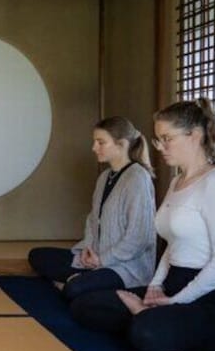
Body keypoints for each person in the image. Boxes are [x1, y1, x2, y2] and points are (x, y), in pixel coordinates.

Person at [70, 98, 215, 351]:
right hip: (174, 281)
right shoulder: (177, 180)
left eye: (167, 138)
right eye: (158, 140)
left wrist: (175, 300)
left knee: (148, 332)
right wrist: (155, 286)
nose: (161, 147)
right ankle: (159, 322)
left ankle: (154, 322)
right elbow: (173, 244)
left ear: (195, 135)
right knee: (86, 306)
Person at [29, 116, 156, 300]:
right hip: (94, 258)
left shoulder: (137, 178)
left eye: (101, 142)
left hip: (124, 266)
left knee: (75, 290)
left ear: (121, 144)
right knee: (38, 256)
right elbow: (92, 219)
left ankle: (75, 283)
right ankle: (80, 280)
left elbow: (139, 237)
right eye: (95, 142)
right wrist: (89, 250)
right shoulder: (105, 176)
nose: (94, 148)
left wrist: (103, 259)